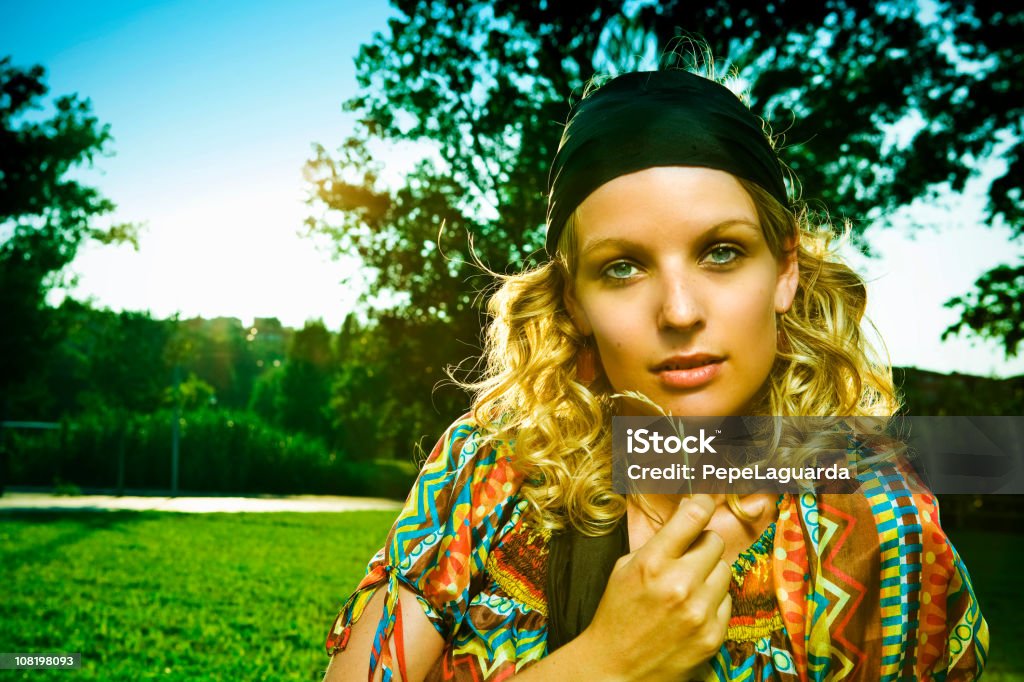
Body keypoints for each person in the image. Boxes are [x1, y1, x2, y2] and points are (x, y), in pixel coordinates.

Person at [322, 67, 989, 681]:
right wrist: (606, 662)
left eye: (722, 252)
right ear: (575, 300)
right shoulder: (490, 468)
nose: (678, 310)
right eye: (622, 266)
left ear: (784, 270)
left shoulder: (874, 515)